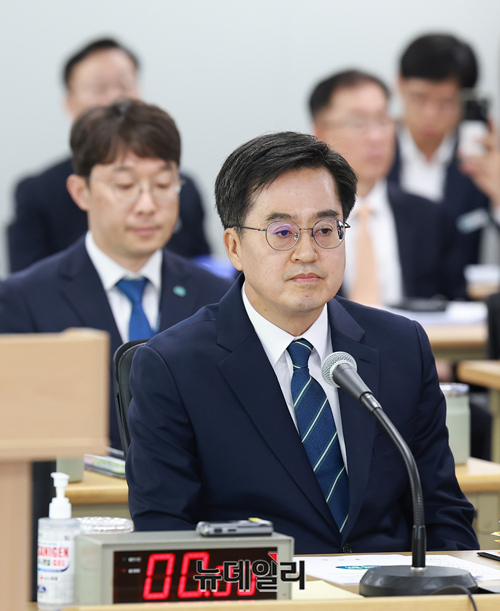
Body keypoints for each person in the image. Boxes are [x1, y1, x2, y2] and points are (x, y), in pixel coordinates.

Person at [126, 131, 478, 554]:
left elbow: (442, 511)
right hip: (262, 585)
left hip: (389, 583)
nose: (307, 252)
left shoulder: (402, 346)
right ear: (235, 247)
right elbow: (164, 535)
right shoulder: (173, 367)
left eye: (325, 229)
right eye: (282, 232)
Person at [0, 99, 231, 450]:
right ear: (81, 192)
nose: (147, 205)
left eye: (163, 184)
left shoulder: (220, 296)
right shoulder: (22, 301)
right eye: (125, 186)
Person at [8, 37, 210, 272]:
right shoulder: (39, 192)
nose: (114, 98)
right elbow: (28, 280)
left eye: (125, 85)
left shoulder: (184, 188)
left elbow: (201, 267)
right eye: (98, 88)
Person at [309, 69, 465, 305]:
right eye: (358, 123)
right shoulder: (300, 222)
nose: (376, 136)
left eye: (383, 120)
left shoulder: (431, 217)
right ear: (321, 133)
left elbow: (458, 306)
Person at [388, 33, 491, 267]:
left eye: (446, 102)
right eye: (420, 98)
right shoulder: (374, 151)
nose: (430, 114)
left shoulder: (481, 157)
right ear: (400, 83)